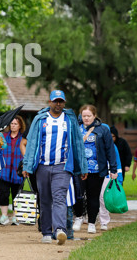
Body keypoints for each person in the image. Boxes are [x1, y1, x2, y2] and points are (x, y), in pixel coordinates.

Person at [22, 90, 88, 245]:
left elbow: (78, 144)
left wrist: (83, 167)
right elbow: (31, 144)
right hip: (42, 167)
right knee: (45, 200)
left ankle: (59, 230)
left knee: (59, 198)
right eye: (55, 101)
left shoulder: (69, 120)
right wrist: (27, 165)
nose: (58, 104)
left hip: (62, 167)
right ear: (49, 102)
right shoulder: (40, 119)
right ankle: (46, 231)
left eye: (61, 101)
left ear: (64, 103)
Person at [72, 105, 118, 234]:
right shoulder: (76, 129)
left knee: (93, 197)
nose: (86, 118)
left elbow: (110, 150)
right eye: (84, 116)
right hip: (79, 169)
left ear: (94, 116)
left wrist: (113, 169)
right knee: (77, 195)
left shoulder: (103, 130)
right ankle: (79, 217)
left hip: (97, 169)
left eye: (89, 116)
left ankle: (91, 223)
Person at [0, 115, 25, 226]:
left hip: (18, 172)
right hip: (4, 170)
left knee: (16, 194)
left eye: (15, 124)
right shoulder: (3, 136)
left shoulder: (23, 138)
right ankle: (4, 216)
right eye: (11, 124)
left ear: (20, 125)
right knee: (3, 193)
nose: (13, 126)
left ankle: (15, 216)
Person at [98, 143, 123, 230]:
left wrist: (119, 178)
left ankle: (104, 222)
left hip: (107, 175)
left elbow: (117, 162)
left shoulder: (112, 146)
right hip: (92, 173)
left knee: (103, 198)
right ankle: (90, 219)